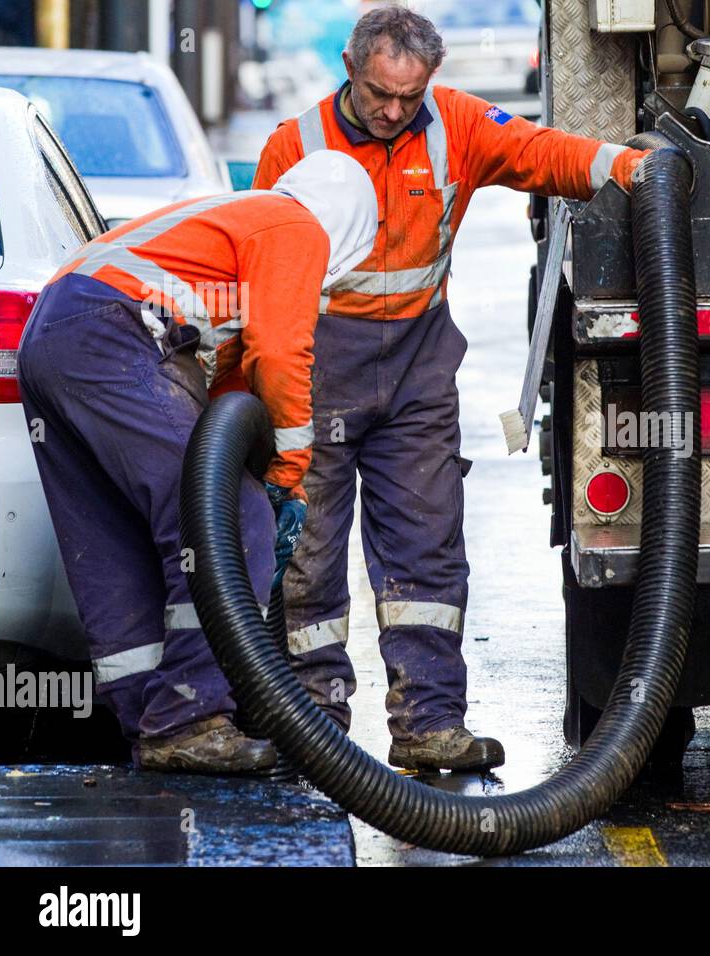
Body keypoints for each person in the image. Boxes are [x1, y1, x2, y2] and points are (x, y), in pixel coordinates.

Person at [253, 6, 651, 772]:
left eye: (410, 97)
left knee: (427, 550)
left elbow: (540, 153)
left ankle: (430, 722)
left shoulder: (455, 125)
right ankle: (314, 720)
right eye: (379, 95)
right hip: (316, 372)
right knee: (306, 552)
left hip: (416, 372)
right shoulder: (293, 149)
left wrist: (625, 166)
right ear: (348, 66)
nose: (395, 112)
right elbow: (262, 274)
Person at [17, 151, 378, 772]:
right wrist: (285, 480)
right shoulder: (294, 225)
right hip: (115, 330)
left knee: (117, 541)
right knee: (228, 521)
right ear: (349, 233)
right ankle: (186, 717)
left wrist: (259, 468)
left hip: (52, 335)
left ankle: (148, 721)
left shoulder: (232, 228)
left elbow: (230, 392)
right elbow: (281, 354)